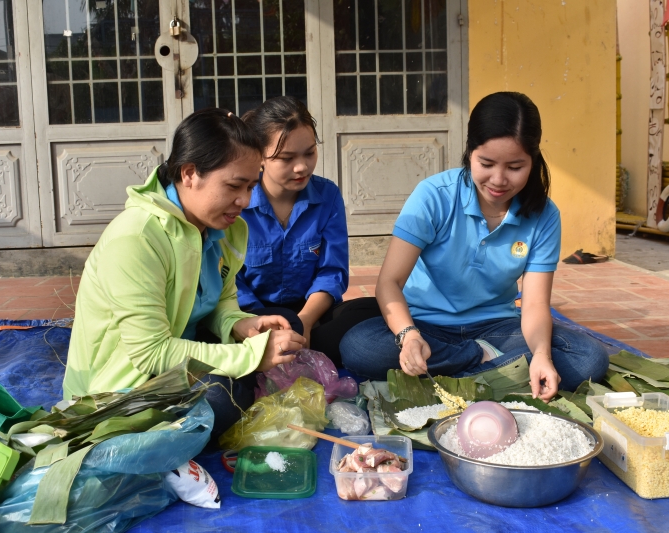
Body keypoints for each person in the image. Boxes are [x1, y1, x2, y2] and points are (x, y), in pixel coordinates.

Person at [340, 92, 609, 401]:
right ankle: (492, 369)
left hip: (498, 330)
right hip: (426, 325)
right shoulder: (434, 196)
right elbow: (389, 283)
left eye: (515, 167)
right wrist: (408, 335)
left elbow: (534, 305)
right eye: (487, 163)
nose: (499, 179)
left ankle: (461, 372)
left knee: (588, 357)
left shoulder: (544, 215)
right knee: (360, 346)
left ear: (533, 161)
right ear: (470, 153)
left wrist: (541, 355)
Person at [63, 109, 305, 439]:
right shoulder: (137, 239)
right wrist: (251, 354)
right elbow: (151, 353)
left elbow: (219, 301)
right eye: (235, 185)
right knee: (223, 398)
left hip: (178, 357)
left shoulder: (223, 230)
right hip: (121, 391)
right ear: (189, 173)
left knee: (286, 321)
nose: (244, 201)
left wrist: (238, 324)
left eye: (251, 186)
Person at [236, 96, 381, 366]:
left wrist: (303, 323)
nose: (301, 167)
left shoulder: (327, 195)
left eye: (309, 153)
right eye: (286, 158)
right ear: (260, 158)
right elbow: (231, 282)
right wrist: (266, 325)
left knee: (372, 310)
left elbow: (332, 272)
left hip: (309, 314)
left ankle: (288, 351)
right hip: (254, 318)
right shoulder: (238, 202)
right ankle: (281, 351)